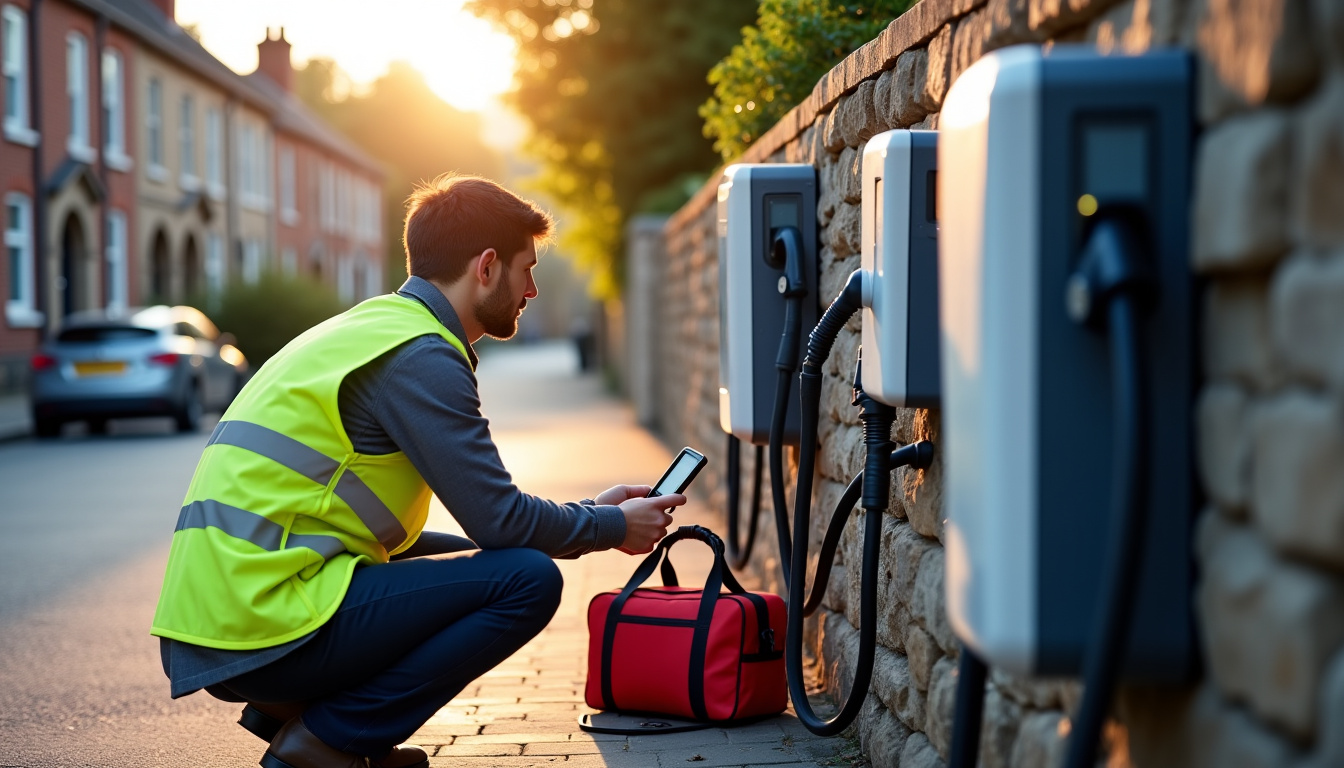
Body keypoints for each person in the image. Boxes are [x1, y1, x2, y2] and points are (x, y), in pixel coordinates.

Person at [151, 175, 686, 768]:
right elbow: (501, 522)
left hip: (223, 612)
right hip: (265, 619)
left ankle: (312, 720)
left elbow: (488, 529)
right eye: (526, 269)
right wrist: (610, 527)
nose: (532, 288)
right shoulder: (421, 356)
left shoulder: (372, 327)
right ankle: (327, 741)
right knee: (526, 580)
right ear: (486, 267)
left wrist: (594, 513)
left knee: (464, 561)